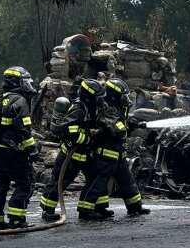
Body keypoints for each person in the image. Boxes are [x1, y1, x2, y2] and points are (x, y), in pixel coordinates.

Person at [39, 78, 109, 221]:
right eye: (97, 97)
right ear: (89, 97)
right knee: (60, 181)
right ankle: (47, 210)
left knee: (96, 179)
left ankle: (93, 209)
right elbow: (69, 130)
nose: (100, 100)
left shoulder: (90, 108)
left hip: (86, 154)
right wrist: (88, 137)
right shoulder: (78, 109)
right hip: (71, 155)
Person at [0, 67, 39, 230]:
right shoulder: (20, 101)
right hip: (14, 151)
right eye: (25, 81)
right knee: (25, 183)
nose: (28, 84)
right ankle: (17, 218)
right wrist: (33, 150)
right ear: (17, 82)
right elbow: (23, 130)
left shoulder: (1, 98)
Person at [87, 78, 151, 216]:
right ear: (114, 95)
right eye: (123, 95)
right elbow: (117, 129)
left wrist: (133, 123)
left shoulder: (118, 109)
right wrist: (129, 126)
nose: (126, 98)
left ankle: (135, 207)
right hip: (106, 155)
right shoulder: (107, 109)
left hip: (118, 155)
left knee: (128, 183)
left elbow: (121, 123)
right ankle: (86, 210)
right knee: (98, 184)